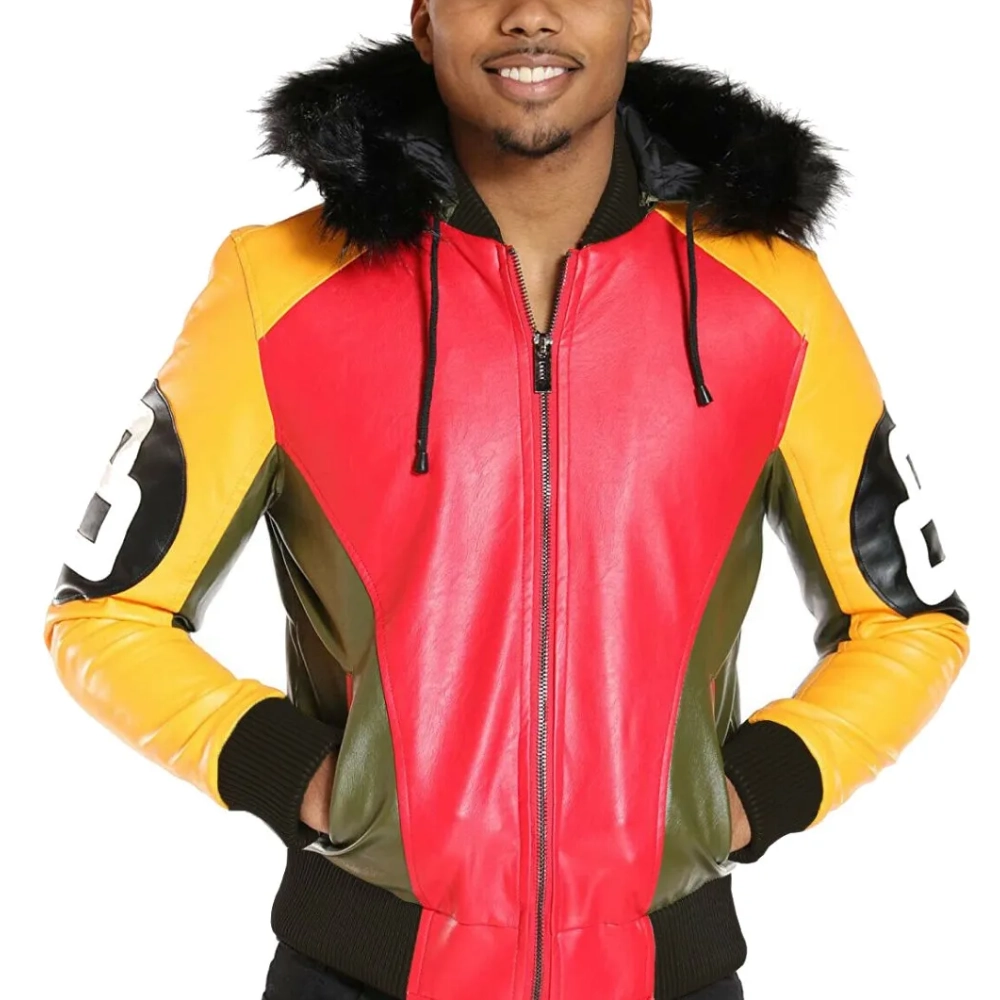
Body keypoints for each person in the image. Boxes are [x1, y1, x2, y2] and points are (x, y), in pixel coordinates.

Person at [41, 2, 971, 999]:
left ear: (637, 19)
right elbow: (106, 613)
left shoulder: (774, 299)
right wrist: (299, 774)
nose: (530, 15)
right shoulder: (276, 288)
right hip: (359, 967)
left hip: (667, 970)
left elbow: (912, 622)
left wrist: (747, 793)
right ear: (424, 20)